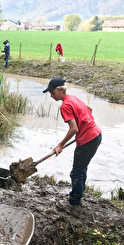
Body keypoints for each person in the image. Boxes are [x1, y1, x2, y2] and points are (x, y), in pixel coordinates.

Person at [43, 77, 102, 208]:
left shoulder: (65, 106)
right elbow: (89, 110)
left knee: (76, 172)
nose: (52, 96)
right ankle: (80, 192)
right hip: (96, 135)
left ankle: (74, 202)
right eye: (50, 94)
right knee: (82, 168)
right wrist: (85, 127)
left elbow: (74, 128)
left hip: (88, 140)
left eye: (53, 93)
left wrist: (60, 144)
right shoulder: (73, 98)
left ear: (62, 90)